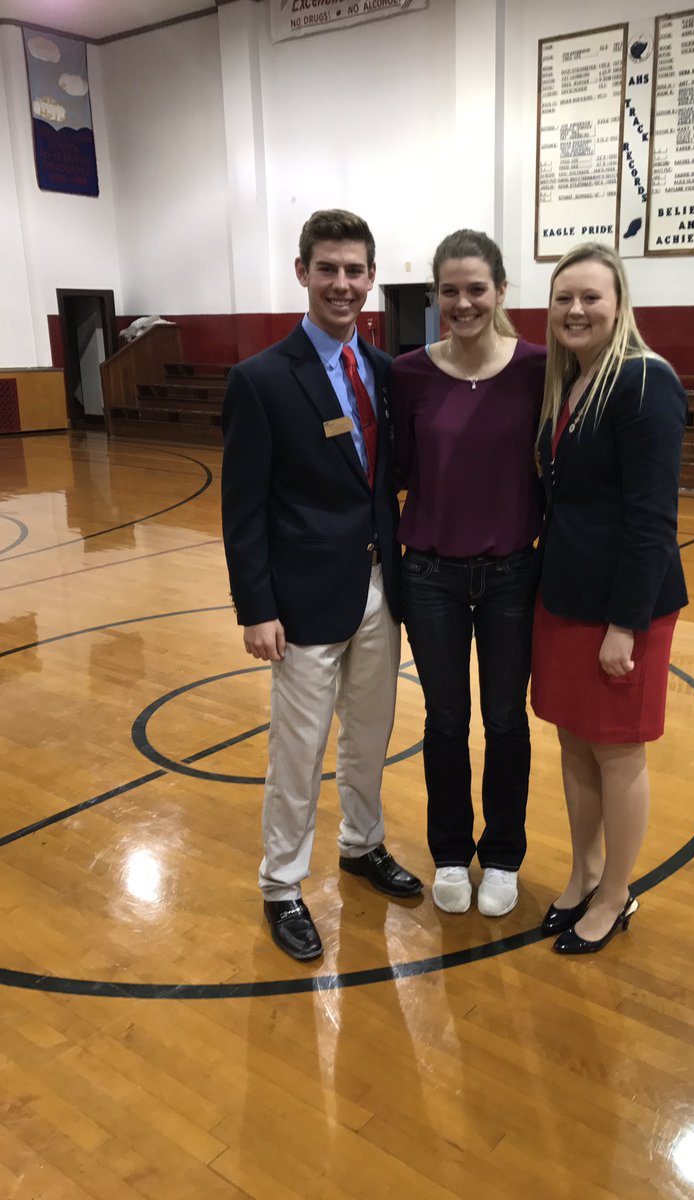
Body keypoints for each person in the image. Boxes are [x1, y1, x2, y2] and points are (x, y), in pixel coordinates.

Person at [220, 208, 422, 964]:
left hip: (379, 588)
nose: (343, 284)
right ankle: (281, 885)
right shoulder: (262, 380)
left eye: (355, 271)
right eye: (329, 269)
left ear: (371, 279)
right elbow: (242, 507)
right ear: (302, 271)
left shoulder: (382, 371)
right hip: (302, 601)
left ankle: (362, 846)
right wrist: (257, 607)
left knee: (369, 740)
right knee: (298, 752)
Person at [531, 242, 688, 954]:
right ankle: (585, 869)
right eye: (564, 297)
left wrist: (625, 625)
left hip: (625, 607)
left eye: (591, 297)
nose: (576, 310)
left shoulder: (644, 381)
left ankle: (619, 893)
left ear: (619, 303)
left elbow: (653, 518)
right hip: (566, 595)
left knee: (618, 751)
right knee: (573, 742)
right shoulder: (574, 382)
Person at [391, 230, 545, 917]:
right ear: (435, 296)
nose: (463, 302)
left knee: (507, 721)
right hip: (430, 577)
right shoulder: (408, 374)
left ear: (501, 291)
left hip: (513, 573)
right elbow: (392, 472)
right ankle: (452, 852)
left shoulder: (542, 367)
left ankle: (504, 853)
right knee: (446, 721)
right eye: (449, 290)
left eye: (476, 288)